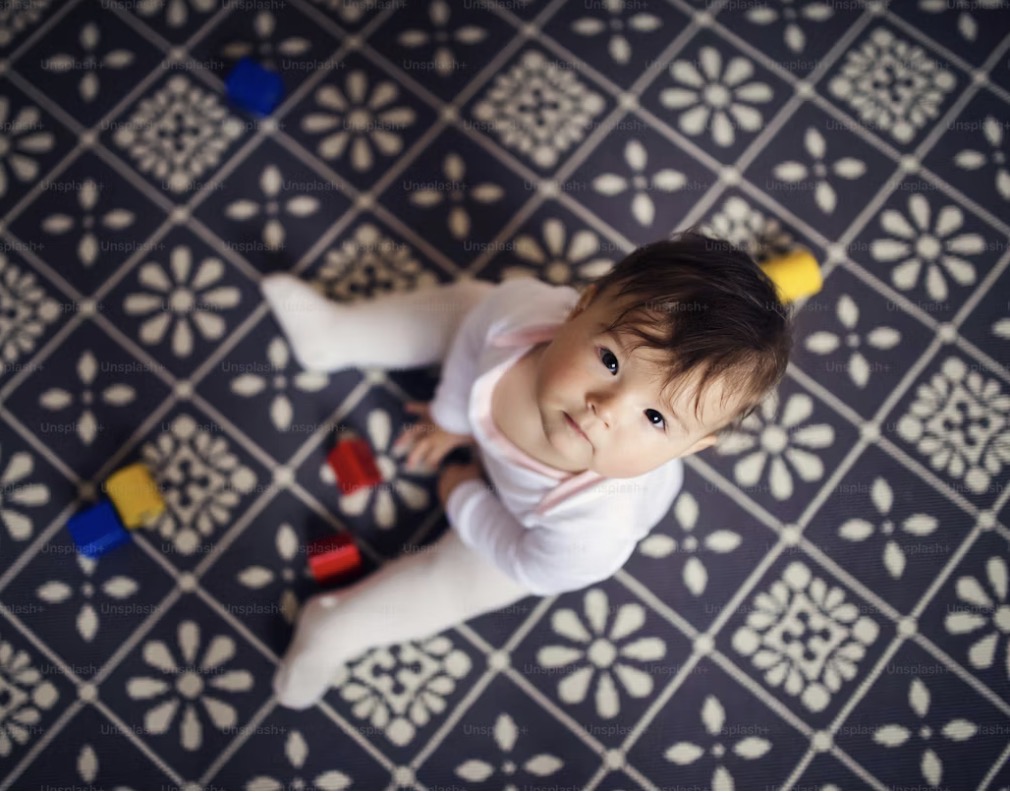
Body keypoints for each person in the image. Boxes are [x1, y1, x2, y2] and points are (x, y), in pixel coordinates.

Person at [259, 228, 793, 709]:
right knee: (467, 305)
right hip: (488, 396)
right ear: (580, 307)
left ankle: (337, 629)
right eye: (609, 360)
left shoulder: (596, 529)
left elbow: (528, 562)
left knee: (460, 584)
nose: (605, 409)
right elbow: (470, 344)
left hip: (524, 526)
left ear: (690, 448)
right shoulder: (523, 314)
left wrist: (466, 499)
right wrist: (451, 416)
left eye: (655, 417)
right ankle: (336, 334)